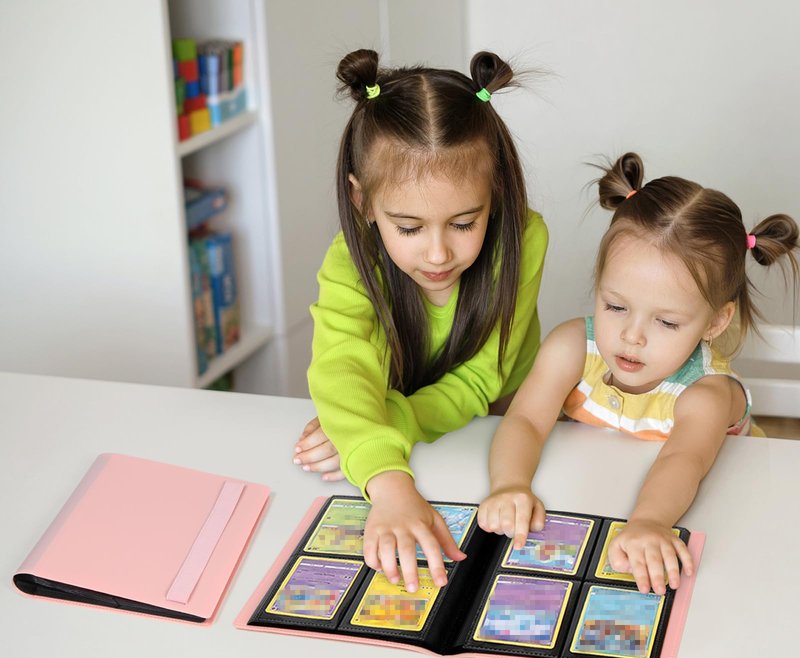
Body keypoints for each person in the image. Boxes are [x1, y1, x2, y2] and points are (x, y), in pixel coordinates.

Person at [479, 152, 799, 595]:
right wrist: (510, 484)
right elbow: (526, 420)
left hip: (721, 512)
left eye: (665, 322)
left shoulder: (706, 394)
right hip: (593, 491)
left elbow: (682, 461)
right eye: (615, 306)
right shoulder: (572, 347)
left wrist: (650, 521)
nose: (632, 336)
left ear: (714, 322)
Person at [293, 49, 549, 593]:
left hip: (502, 425)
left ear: (496, 192)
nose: (437, 254)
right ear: (362, 200)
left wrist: (377, 427)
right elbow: (342, 367)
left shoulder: (524, 239)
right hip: (415, 445)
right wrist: (384, 473)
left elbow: (481, 381)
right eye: (409, 228)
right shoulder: (350, 261)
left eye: (464, 223)